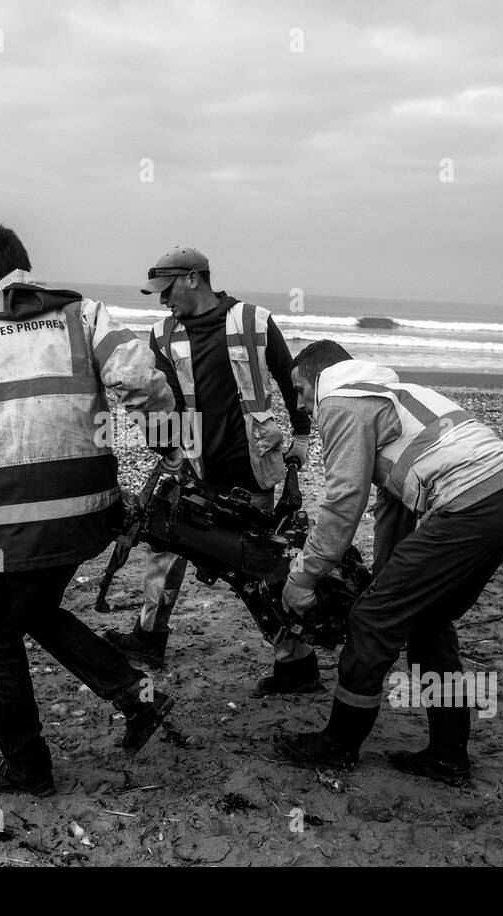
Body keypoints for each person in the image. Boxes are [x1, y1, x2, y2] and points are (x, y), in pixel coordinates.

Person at [0, 221, 177, 796]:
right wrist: (169, 446)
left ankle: (27, 767)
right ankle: (137, 697)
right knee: (37, 612)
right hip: (83, 512)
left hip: (1, 523)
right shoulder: (84, 316)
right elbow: (140, 378)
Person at [273, 340, 503, 786]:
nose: (300, 406)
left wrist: (305, 576)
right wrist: (385, 576)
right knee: (428, 623)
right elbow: (394, 499)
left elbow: (342, 503)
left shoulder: (342, 401)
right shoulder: (390, 393)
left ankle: (337, 746)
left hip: (468, 506)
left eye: (299, 390)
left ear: (321, 376)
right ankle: (448, 757)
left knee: (371, 621)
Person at [103, 247, 317, 697]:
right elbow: (165, 400)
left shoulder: (254, 321)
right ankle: (149, 637)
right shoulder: (162, 334)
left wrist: (301, 435)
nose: (163, 302)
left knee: (257, 571)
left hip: (251, 469)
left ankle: (297, 666)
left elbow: (287, 377)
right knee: (163, 551)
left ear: (195, 279)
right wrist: (169, 451)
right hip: (196, 466)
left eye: (168, 290)